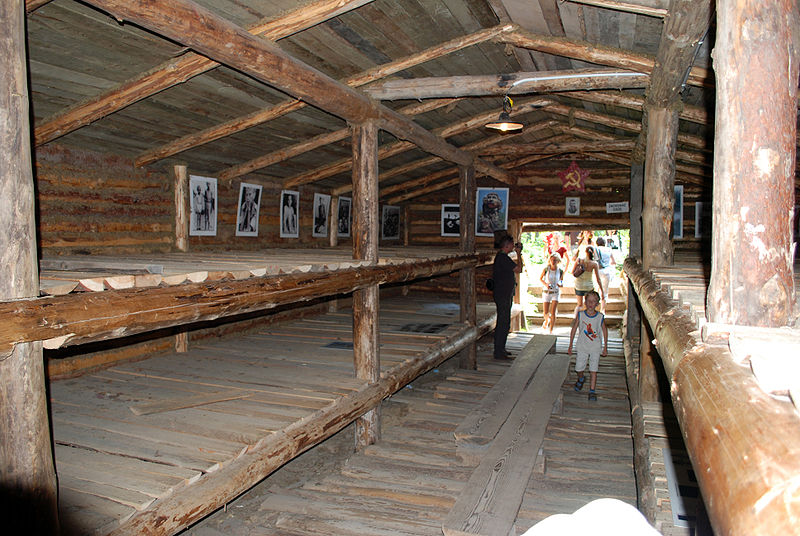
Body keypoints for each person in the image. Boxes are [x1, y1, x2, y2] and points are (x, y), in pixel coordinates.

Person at [567, 290, 607, 401]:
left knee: (593, 369)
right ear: (585, 302)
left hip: (595, 347)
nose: (591, 304)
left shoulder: (600, 317)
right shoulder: (581, 315)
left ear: (597, 304)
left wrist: (605, 346)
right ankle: (581, 378)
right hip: (582, 346)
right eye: (589, 301)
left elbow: (604, 330)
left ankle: (592, 391)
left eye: (593, 301)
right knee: (579, 368)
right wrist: (570, 344)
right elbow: (574, 329)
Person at [492, 234, 523, 360]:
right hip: (502, 295)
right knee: (503, 322)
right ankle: (498, 351)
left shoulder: (502, 257)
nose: (513, 246)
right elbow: (519, 269)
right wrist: (519, 254)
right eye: (512, 244)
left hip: (504, 294)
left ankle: (501, 348)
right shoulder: (502, 258)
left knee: (505, 322)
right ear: (507, 245)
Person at [572, 246, 604, 313]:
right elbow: (598, 279)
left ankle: (576, 319)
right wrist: (602, 291)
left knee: (579, 305)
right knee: (588, 305)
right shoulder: (594, 264)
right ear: (593, 253)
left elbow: (573, 272)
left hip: (579, 285)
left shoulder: (579, 260)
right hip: (589, 286)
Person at [539, 252, 563, 333]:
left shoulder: (560, 271)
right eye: (552, 260)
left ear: (558, 261)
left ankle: (551, 329)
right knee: (545, 312)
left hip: (555, 292)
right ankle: (546, 321)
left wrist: (560, 284)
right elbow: (541, 279)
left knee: (553, 312)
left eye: (555, 260)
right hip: (546, 292)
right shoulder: (546, 269)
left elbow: (561, 281)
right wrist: (546, 284)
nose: (553, 262)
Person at [594, 237, 616, 312]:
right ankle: (602, 310)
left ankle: (594, 308)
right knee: (605, 292)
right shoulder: (609, 249)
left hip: (598, 271)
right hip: (607, 272)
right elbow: (613, 262)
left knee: (597, 289)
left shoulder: (596, 249)